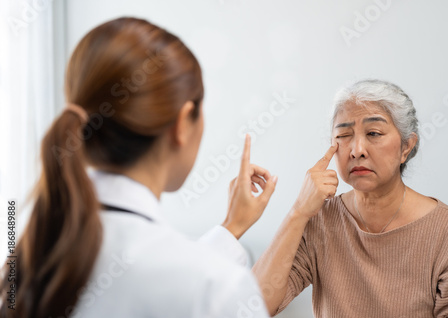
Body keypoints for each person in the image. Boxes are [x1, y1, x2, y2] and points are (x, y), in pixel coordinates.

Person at [0, 17, 276, 318]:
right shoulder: (219, 289)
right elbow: (184, 282)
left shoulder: (28, 262)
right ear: (183, 123)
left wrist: (231, 228)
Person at [252, 79, 448, 317]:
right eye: (344, 135)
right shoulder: (319, 221)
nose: (357, 150)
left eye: (374, 133)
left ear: (406, 147)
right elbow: (255, 305)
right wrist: (299, 212)